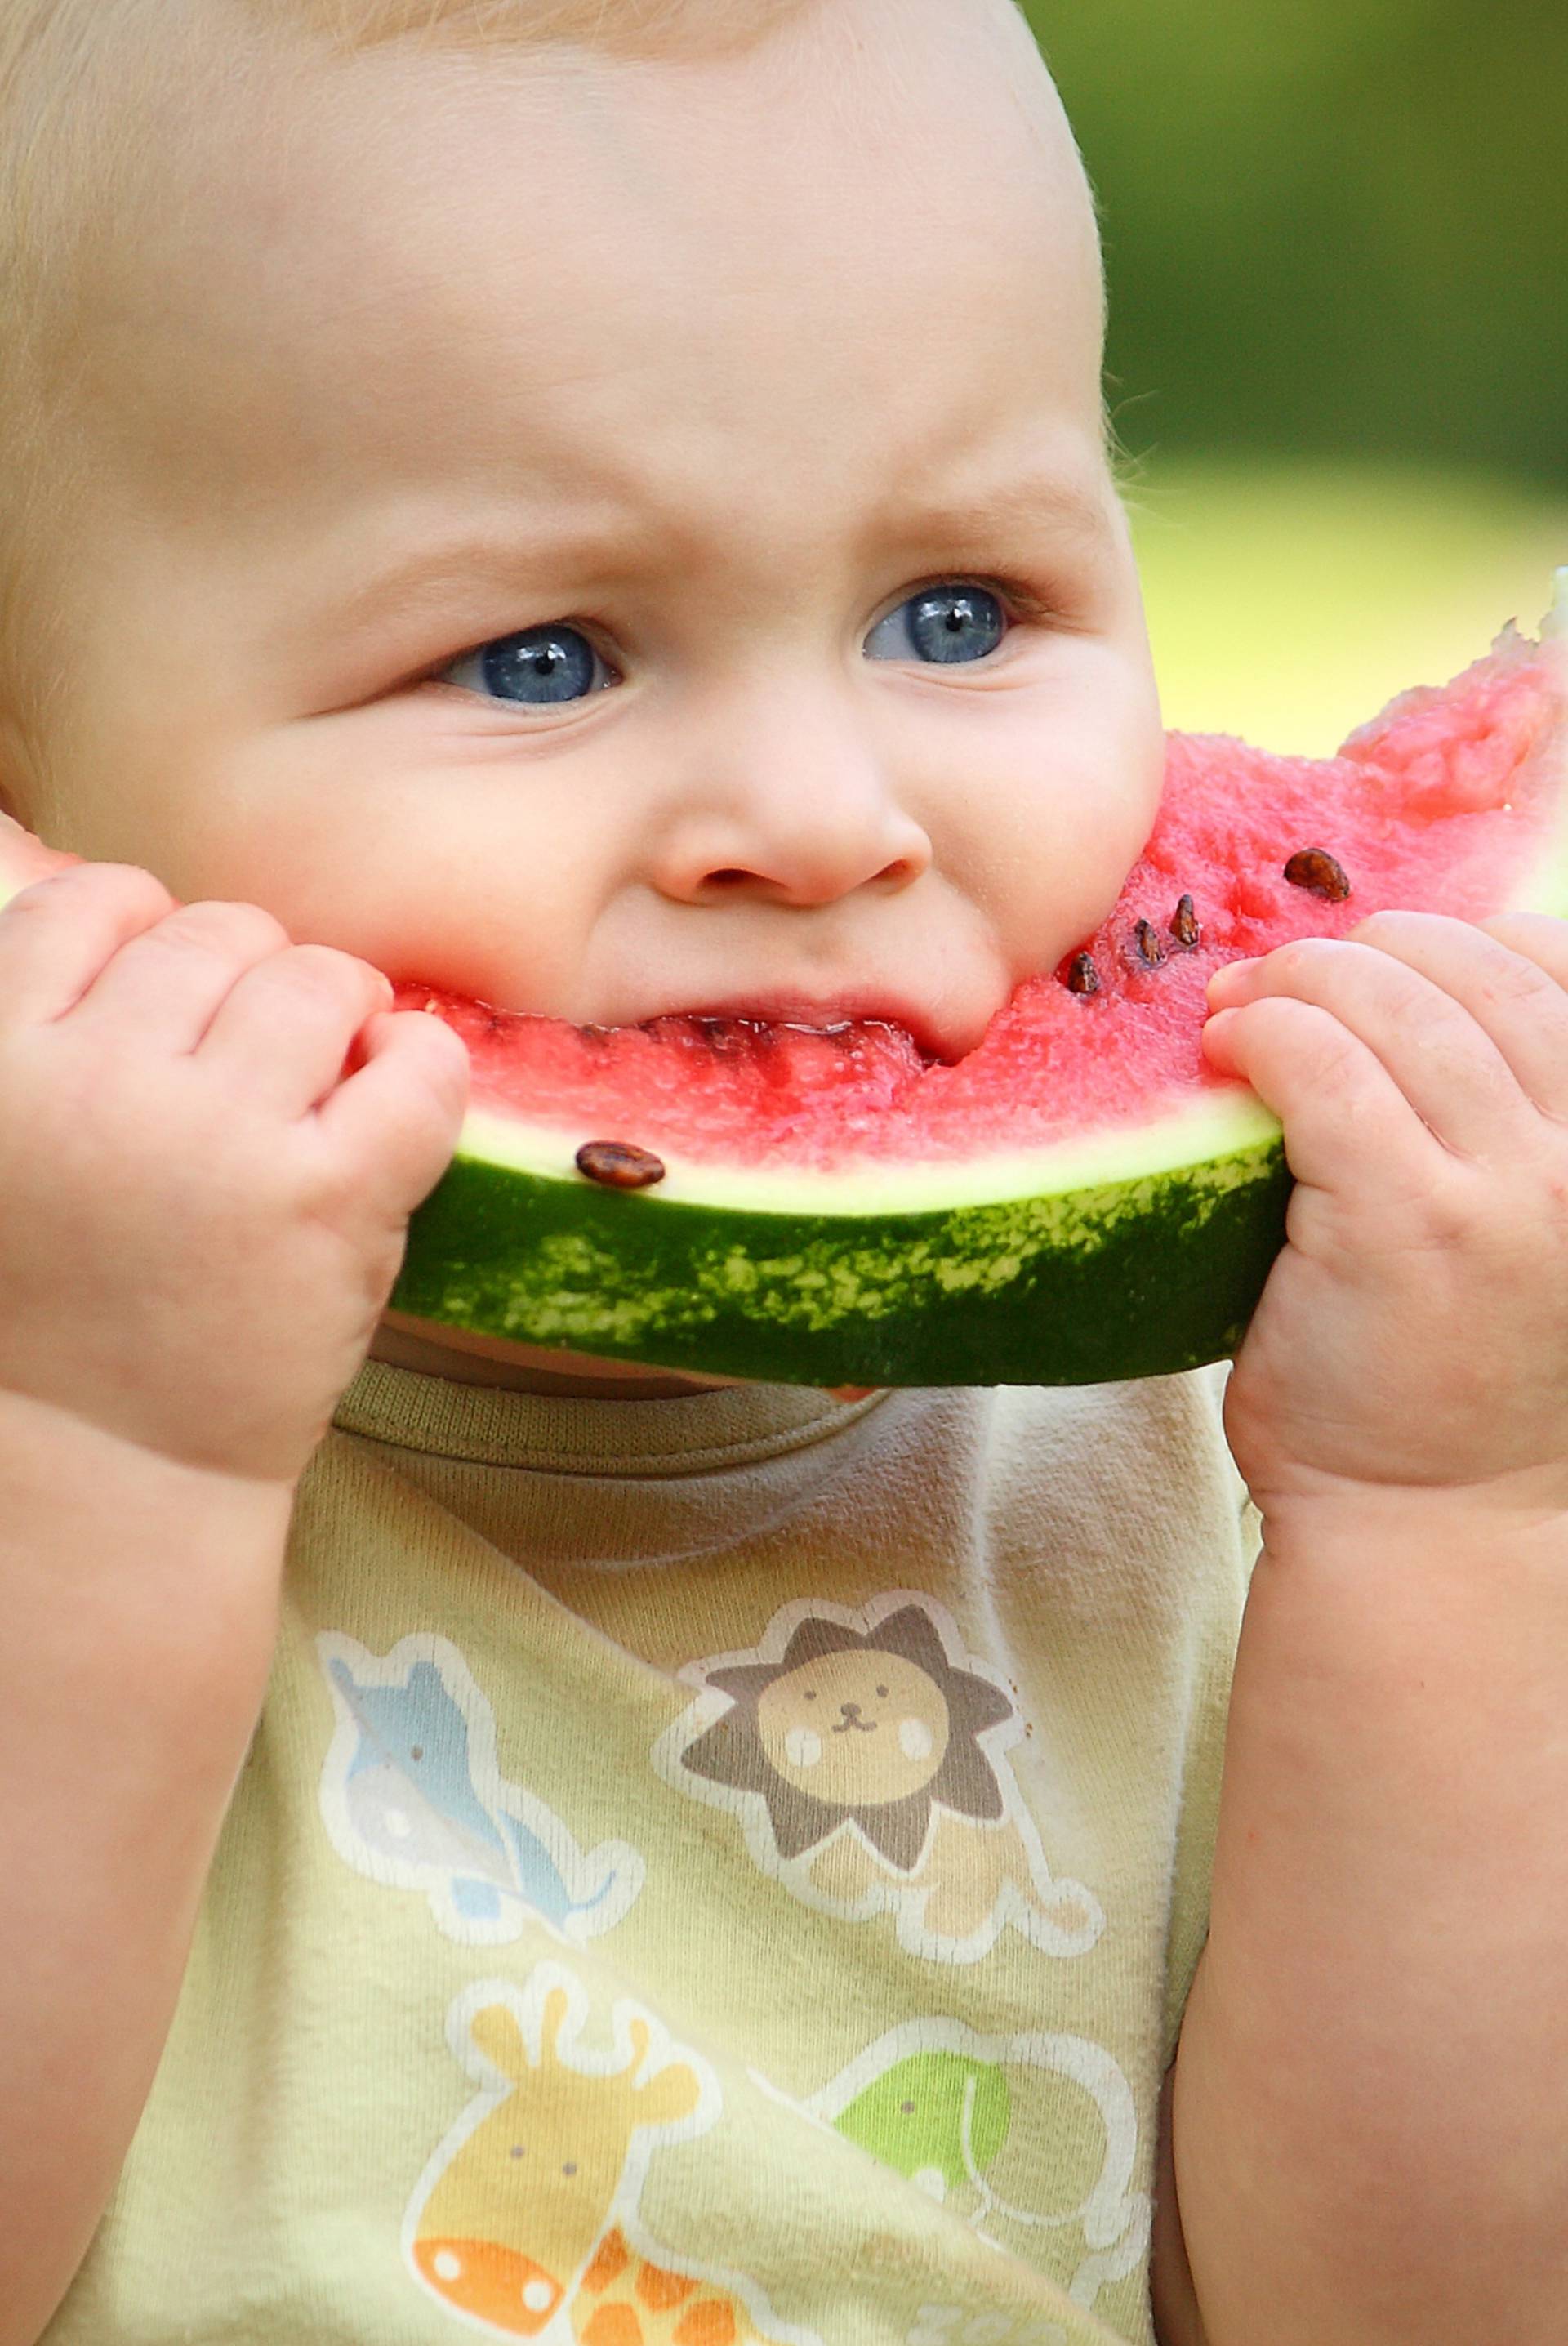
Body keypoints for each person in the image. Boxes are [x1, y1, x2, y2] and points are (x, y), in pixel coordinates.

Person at [1, 0, 1565, 2340]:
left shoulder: (1278, 1439)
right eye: (541, 656)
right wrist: (87, 1444)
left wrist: (1468, 1532)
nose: (830, 819)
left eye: (961, 614)